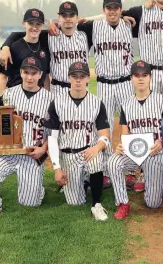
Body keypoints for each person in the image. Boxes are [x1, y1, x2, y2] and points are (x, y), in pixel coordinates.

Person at [48, 0, 135, 190]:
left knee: (129, 126)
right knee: (102, 129)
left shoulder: (130, 24)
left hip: (125, 83)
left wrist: (124, 17)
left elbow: (144, 16)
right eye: (108, 8)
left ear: (121, 10)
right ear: (103, 10)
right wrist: (53, 23)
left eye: (116, 8)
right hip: (102, 83)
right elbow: (73, 23)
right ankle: (102, 172)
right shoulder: (92, 28)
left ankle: (130, 171)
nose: (112, 11)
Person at [0, 57, 53, 219]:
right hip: (8, 152)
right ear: (20, 72)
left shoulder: (50, 100)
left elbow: (54, 132)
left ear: (40, 74)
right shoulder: (8, 95)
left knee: (30, 203)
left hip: (32, 154)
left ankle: (37, 188)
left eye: (34, 73)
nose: (30, 77)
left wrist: (43, 149)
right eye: (26, 72)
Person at [107, 60, 163, 220]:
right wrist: (120, 146)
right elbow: (125, 134)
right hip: (135, 153)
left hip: (154, 154)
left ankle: (154, 181)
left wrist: (162, 142)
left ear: (150, 77)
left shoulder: (162, 101)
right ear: (131, 78)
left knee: (153, 203)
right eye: (137, 75)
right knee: (113, 162)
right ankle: (123, 203)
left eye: (144, 75)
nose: (141, 79)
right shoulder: (126, 104)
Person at [44, 61, 111, 221]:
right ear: (69, 78)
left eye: (82, 76)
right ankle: (85, 182)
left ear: (88, 78)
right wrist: (57, 168)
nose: (78, 80)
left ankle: (97, 204)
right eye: (75, 76)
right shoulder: (57, 103)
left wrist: (97, 148)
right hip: (68, 155)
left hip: (88, 150)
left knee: (96, 160)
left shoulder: (97, 103)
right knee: (75, 202)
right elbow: (52, 139)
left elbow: (105, 135)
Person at [0, 1, 92, 96]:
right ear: (59, 17)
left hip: (82, 89)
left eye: (71, 15)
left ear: (77, 17)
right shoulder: (49, 35)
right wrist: (5, 47)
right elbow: (22, 35)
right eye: (64, 15)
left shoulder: (86, 34)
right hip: (58, 90)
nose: (68, 18)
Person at [0, 8, 50, 96]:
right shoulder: (13, 47)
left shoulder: (45, 45)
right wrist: (1, 102)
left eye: (38, 24)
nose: (34, 27)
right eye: (31, 23)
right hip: (16, 97)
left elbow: (46, 76)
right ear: (24, 24)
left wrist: (48, 97)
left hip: (38, 99)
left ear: (42, 26)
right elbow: (3, 77)